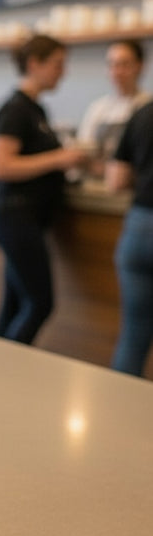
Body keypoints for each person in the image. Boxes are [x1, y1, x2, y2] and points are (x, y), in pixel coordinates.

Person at [0, 34, 90, 344]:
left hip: (25, 218)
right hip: (14, 217)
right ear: (34, 64)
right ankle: (9, 367)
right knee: (40, 303)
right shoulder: (16, 110)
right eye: (57, 64)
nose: (63, 72)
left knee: (16, 302)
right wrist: (58, 158)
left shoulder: (36, 110)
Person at [106, 101, 153, 376]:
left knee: (133, 335)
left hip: (137, 227)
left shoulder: (142, 114)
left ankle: (118, 414)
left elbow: (116, 180)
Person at [78, 40, 151, 175]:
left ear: (140, 66)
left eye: (124, 64)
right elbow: (84, 149)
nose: (117, 72)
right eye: (112, 64)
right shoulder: (98, 108)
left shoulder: (147, 108)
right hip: (100, 185)